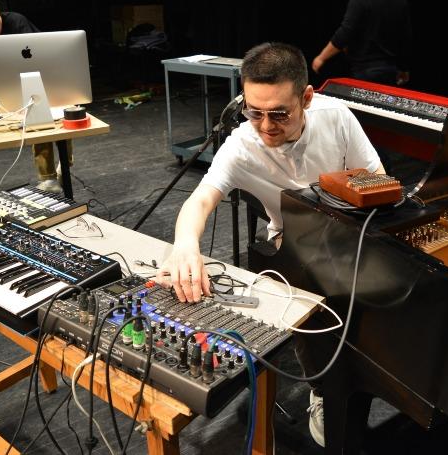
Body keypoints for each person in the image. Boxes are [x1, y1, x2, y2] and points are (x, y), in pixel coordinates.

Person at [156, 42, 385, 447]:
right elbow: (200, 199)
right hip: (291, 242)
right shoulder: (242, 145)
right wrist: (185, 244)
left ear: (307, 98)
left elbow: (376, 183)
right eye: (254, 111)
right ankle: (321, 388)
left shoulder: (337, 119)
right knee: (311, 306)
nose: (265, 126)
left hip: (351, 231)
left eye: (280, 113)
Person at [0, 0, 72, 194]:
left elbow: (37, 58)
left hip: (47, 74)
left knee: (49, 114)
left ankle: (59, 170)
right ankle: (49, 176)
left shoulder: (17, 22)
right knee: (33, 116)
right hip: (14, 86)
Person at [312, 0, 412, 86]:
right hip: (389, 72)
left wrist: (321, 57)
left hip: (364, 73)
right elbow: (405, 39)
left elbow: (345, 33)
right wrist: (404, 68)